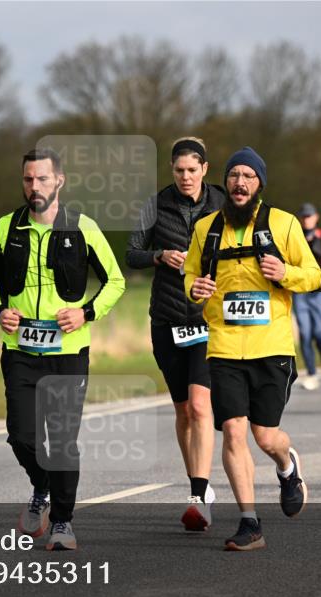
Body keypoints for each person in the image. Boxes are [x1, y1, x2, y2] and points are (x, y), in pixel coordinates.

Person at [0, 147, 125, 551]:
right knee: (21, 436)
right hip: (20, 350)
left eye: (43, 179)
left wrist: (86, 313)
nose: (34, 186)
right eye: (28, 179)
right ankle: (42, 484)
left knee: (61, 441)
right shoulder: (5, 228)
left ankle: (62, 522)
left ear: (59, 181)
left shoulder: (83, 228)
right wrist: (0, 311)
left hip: (68, 353)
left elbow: (115, 281)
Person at [184, 146, 320, 551]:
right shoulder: (206, 228)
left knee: (265, 436)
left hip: (271, 345)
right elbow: (191, 274)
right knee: (233, 431)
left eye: (248, 176)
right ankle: (249, 522)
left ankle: (287, 465)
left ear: (259, 183)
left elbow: (314, 275)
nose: (239, 183)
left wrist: (286, 273)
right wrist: (194, 289)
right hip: (223, 346)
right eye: (233, 176)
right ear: (225, 182)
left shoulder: (283, 224)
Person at [126, 137, 225, 531]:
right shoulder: (156, 205)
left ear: (204, 169)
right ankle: (197, 482)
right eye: (179, 170)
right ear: (172, 170)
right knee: (183, 409)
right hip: (167, 318)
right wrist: (159, 256)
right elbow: (131, 252)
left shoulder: (222, 203)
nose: (185, 177)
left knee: (201, 407)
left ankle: (198, 498)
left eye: (192, 169)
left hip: (209, 320)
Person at [292, 203, 321, 390]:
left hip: (320, 291)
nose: (306, 219)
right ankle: (311, 374)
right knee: (305, 334)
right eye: (303, 216)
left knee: (320, 332)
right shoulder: (294, 236)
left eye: (309, 216)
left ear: (316, 217)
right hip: (300, 291)